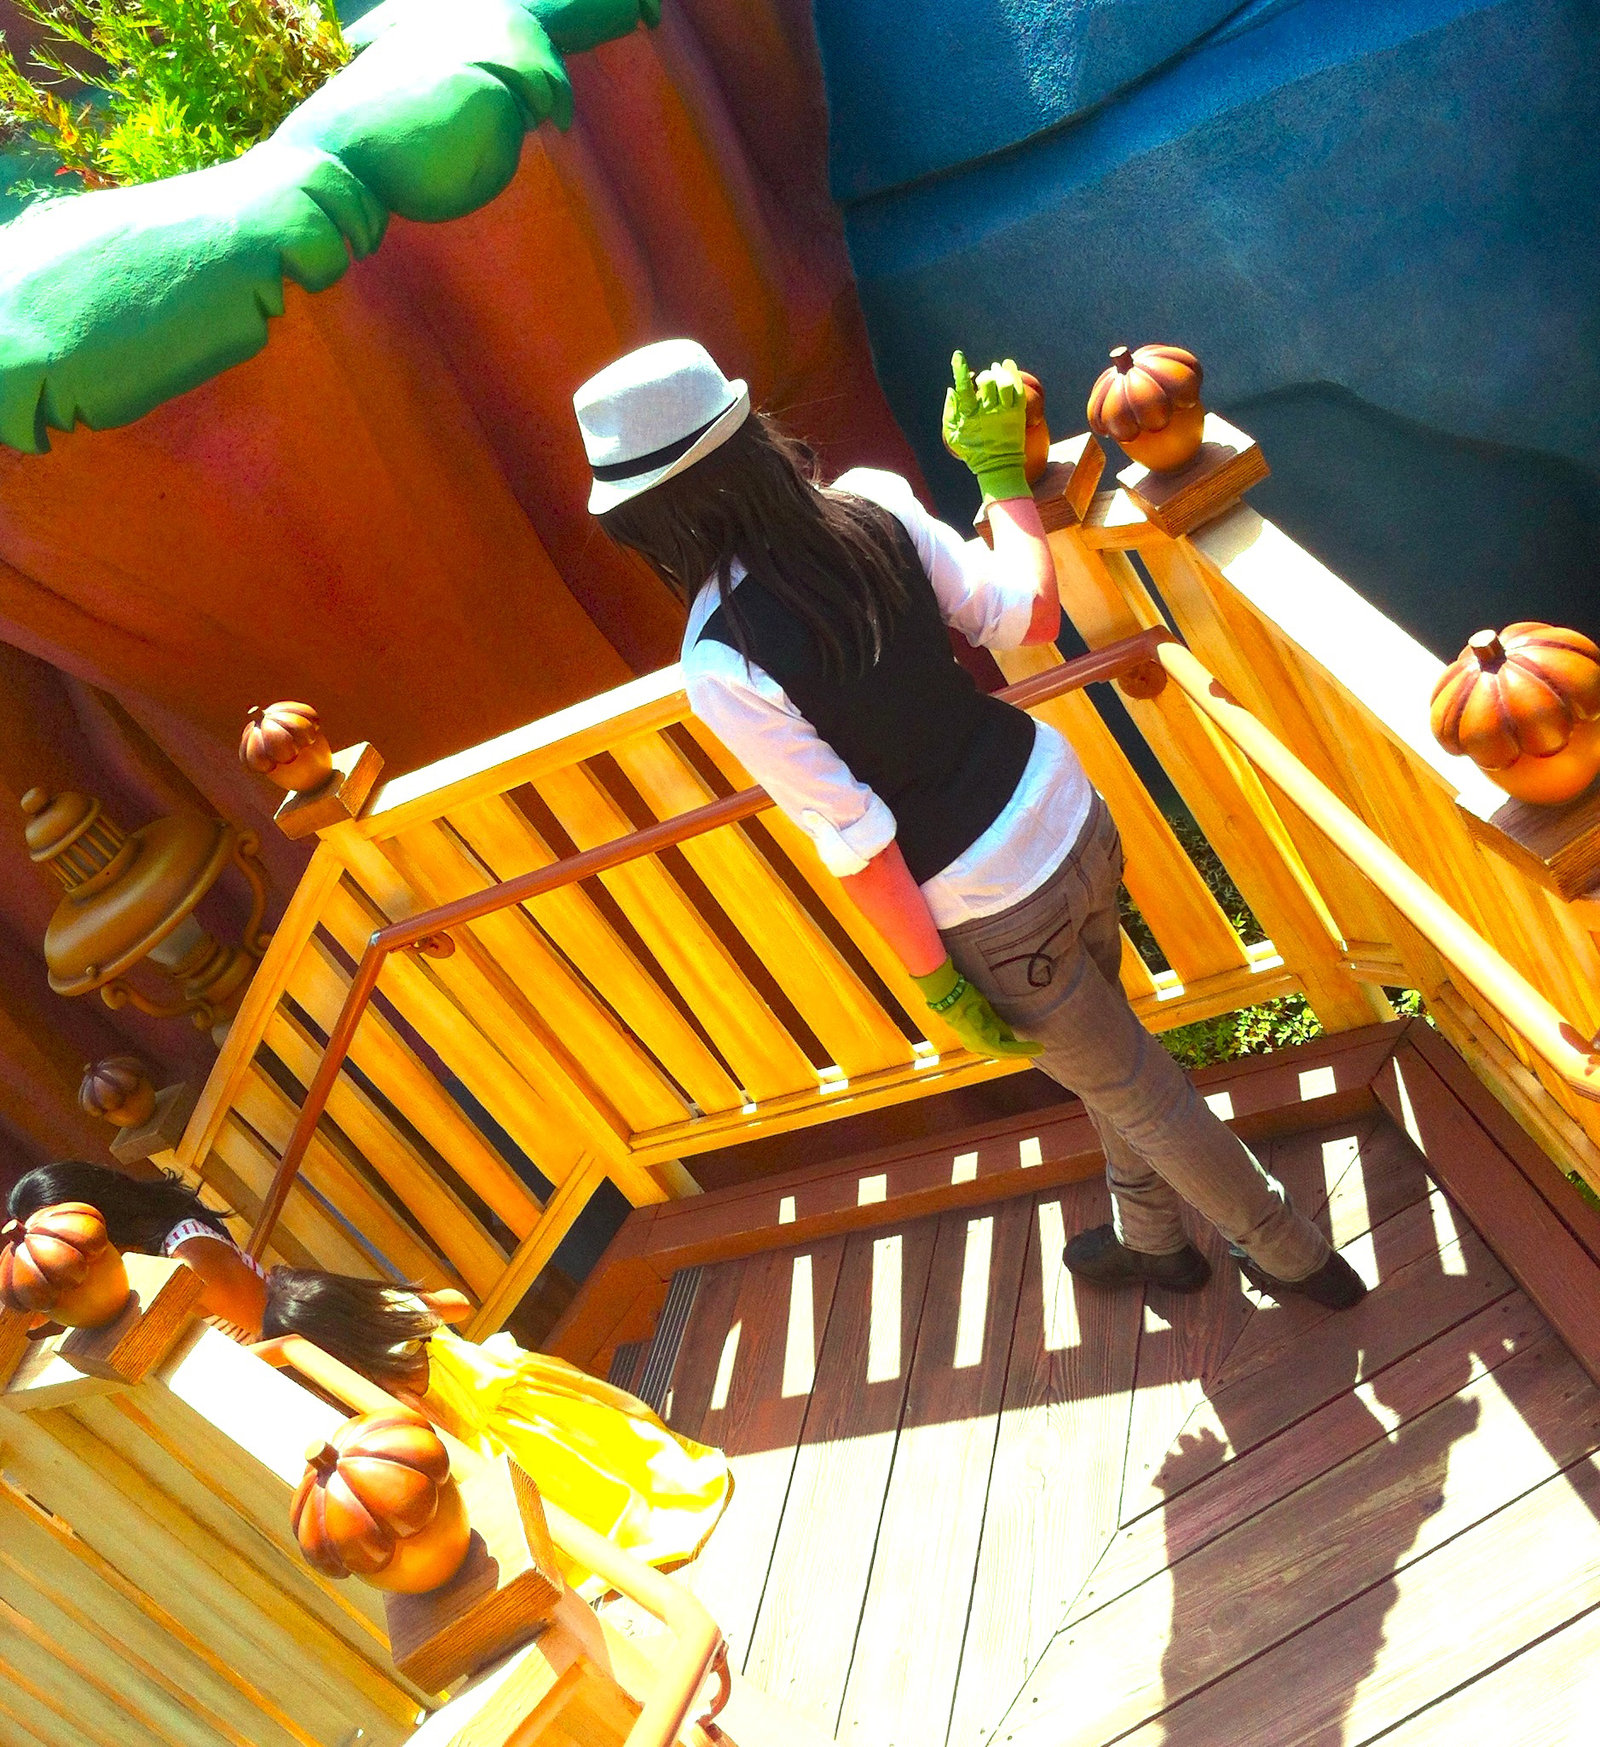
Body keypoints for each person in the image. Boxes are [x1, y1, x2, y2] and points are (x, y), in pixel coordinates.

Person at [573, 338, 1365, 1309]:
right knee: (1115, 1070)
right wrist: (999, 479)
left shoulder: (719, 661)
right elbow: (1027, 615)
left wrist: (937, 983)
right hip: (1069, 810)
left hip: (990, 907)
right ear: (749, 436)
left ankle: (1293, 1258)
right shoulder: (870, 502)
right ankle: (1153, 1240)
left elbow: (858, 840)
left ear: (648, 519)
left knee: (1141, 1092)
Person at [6, 1161, 732, 1581]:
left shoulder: (182, 1255)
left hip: (312, 1338)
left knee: (451, 1426)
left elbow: (255, 1328)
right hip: (314, 1316)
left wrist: (202, 1382)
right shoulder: (152, 1257)